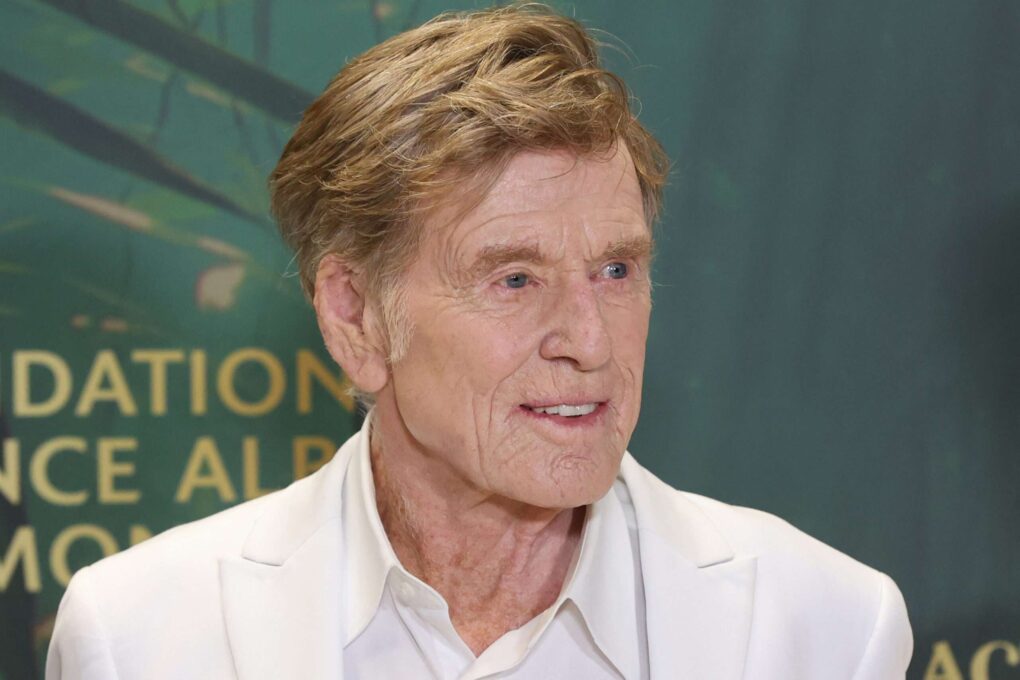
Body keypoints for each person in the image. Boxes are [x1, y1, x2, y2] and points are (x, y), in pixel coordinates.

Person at [46, 4, 912, 679]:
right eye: (514, 279)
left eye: (616, 270)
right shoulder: (139, 635)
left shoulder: (828, 626)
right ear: (355, 318)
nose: (590, 341)